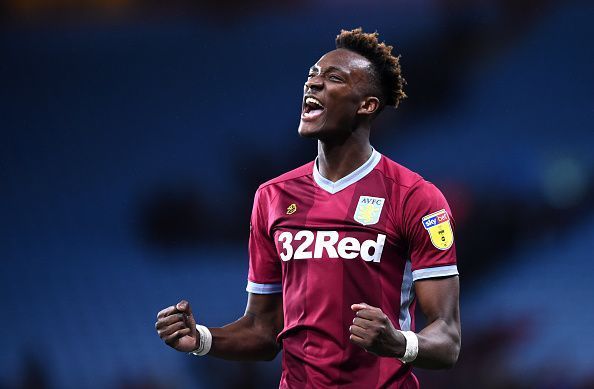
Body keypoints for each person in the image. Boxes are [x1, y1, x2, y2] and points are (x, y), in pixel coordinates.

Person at [155, 28, 461, 388]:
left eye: (332, 78)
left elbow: (448, 341)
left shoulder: (415, 198)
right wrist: (203, 339)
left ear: (367, 105)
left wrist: (399, 343)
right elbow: (262, 330)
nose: (312, 84)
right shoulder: (272, 197)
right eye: (311, 75)